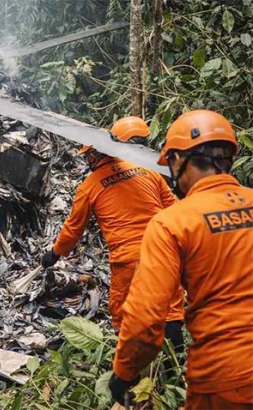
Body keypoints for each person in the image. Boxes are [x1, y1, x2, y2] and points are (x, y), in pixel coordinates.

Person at [109, 110, 253, 409]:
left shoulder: (172, 223)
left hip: (226, 376)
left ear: (177, 159)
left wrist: (124, 373)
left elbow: (146, 318)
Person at [43, 117, 185, 339]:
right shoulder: (146, 171)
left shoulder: (89, 186)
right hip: (163, 250)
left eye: (87, 156)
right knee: (170, 311)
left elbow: (73, 229)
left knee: (124, 312)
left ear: (93, 155)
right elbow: (175, 208)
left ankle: (129, 357)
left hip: (128, 259)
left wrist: (55, 253)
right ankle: (175, 359)